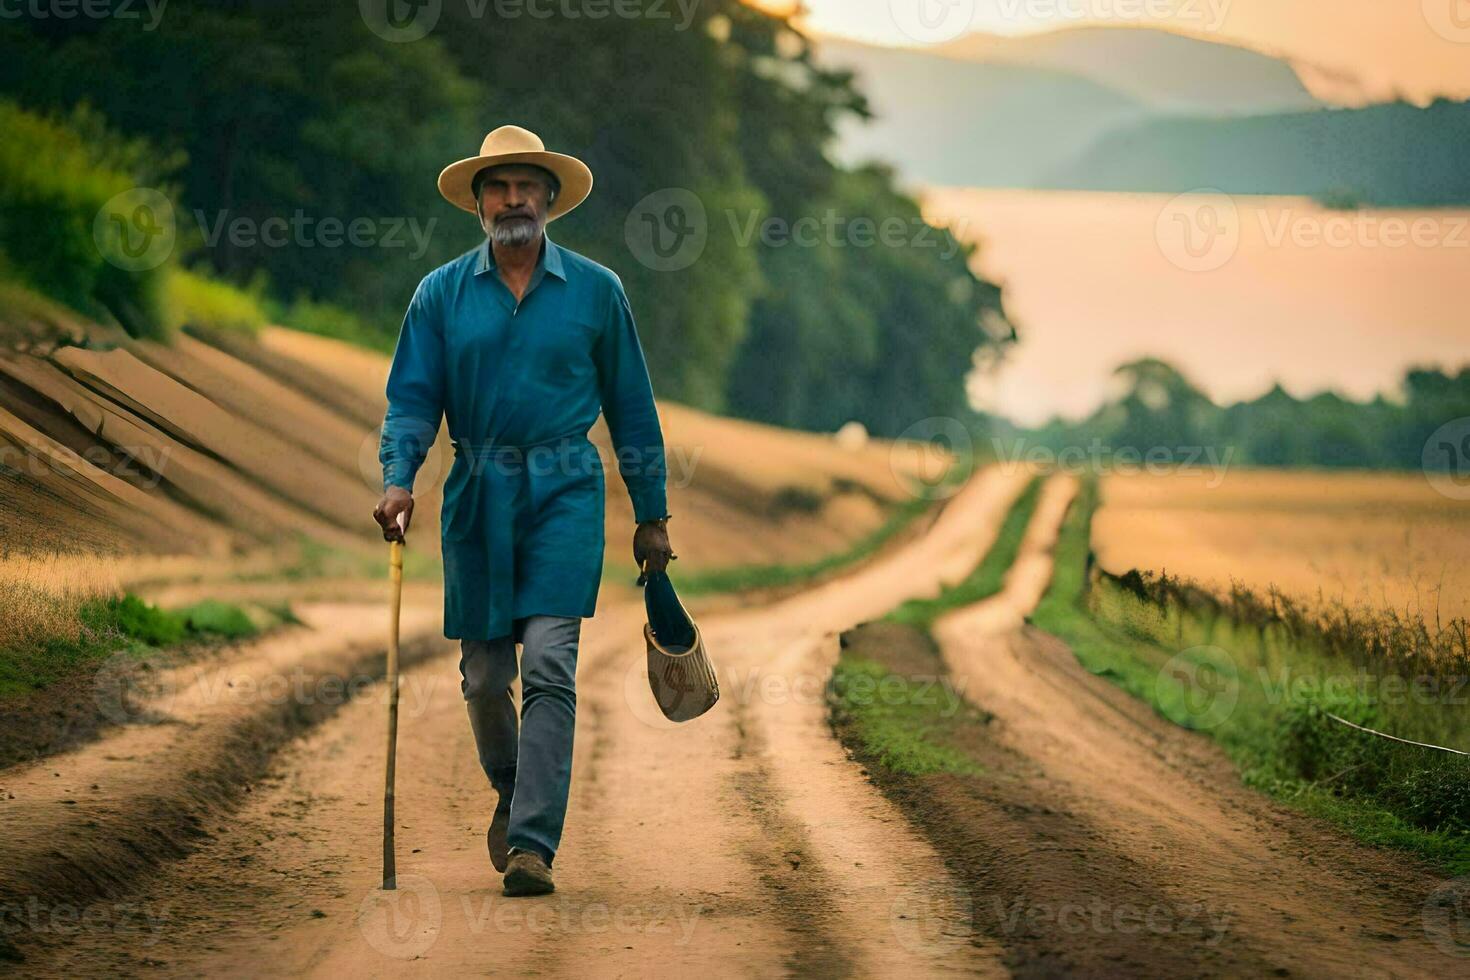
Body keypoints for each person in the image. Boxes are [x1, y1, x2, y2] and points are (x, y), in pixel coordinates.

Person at [372, 125, 675, 897]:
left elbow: (632, 408)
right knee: (481, 676)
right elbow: (411, 400)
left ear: (550, 201)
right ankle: (514, 792)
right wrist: (399, 479)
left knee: (547, 663)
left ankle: (532, 843)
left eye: (527, 187)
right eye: (499, 187)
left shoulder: (599, 292)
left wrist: (652, 513)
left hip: (565, 490)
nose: (514, 200)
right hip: (477, 493)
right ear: (478, 204)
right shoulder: (440, 294)